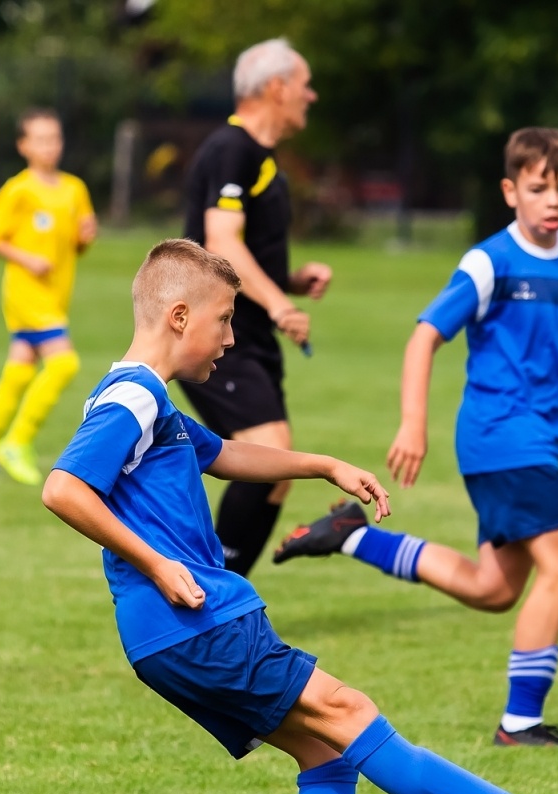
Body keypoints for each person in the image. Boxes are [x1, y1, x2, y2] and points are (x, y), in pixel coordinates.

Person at [41, 238, 558, 794]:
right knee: (350, 712)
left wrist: (324, 465)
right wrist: (157, 562)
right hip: (196, 622)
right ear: (180, 315)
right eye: (225, 320)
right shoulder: (132, 396)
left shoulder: (140, 397)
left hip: (172, 635)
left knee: (325, 751)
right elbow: (63, 487)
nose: (230, 338)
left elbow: (222, 454)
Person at [275, 128, 558, 748]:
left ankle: (352, 536)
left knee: (493, 589)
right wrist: (413, 423)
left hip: (536, 444)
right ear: (510, 191)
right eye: (538, 187)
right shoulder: (489, 261)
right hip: (501, 438)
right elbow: (425, 336)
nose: (553, 200)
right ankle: (520, 724)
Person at [180, 38, 332, 576]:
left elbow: (237, 248)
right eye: (304, 84)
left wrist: (289, 279)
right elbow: (220, 242)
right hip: (217, 333)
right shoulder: (232, 148)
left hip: (249, 334)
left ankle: (223, 592)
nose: (310, 96)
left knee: (278, 469)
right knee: (269, 455)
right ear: (276, 88)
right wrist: (279, 304)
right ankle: (206, 588)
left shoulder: (260, 158)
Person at [0, 109, 97, 486]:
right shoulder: (19, 189)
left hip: (55, 295)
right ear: (23, 146)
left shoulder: (75, 189)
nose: (50, 146)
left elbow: (77, 243)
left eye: (55, 138)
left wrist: (84, 237)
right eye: (41, 139)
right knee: (64, 364)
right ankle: (17, 442)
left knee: (18, 373)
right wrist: (26, 258)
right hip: (26, 293)